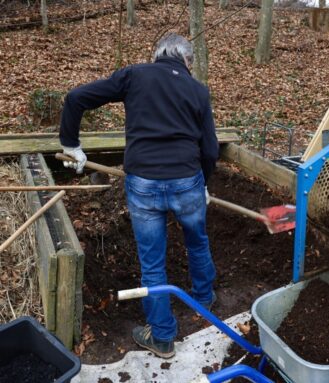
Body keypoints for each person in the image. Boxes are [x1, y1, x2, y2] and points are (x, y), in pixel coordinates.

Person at [59, 33, 219, 359]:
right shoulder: (198, 90)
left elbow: (76, 98)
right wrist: (203, 183)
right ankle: (203, 298)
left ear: (156, 54)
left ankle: (162, 337)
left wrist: (71, 145)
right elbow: (210, 148)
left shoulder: (135, 75)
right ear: (187, 61)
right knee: (197, 240)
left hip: (144, 183)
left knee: (153, 263)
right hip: (187, 180)